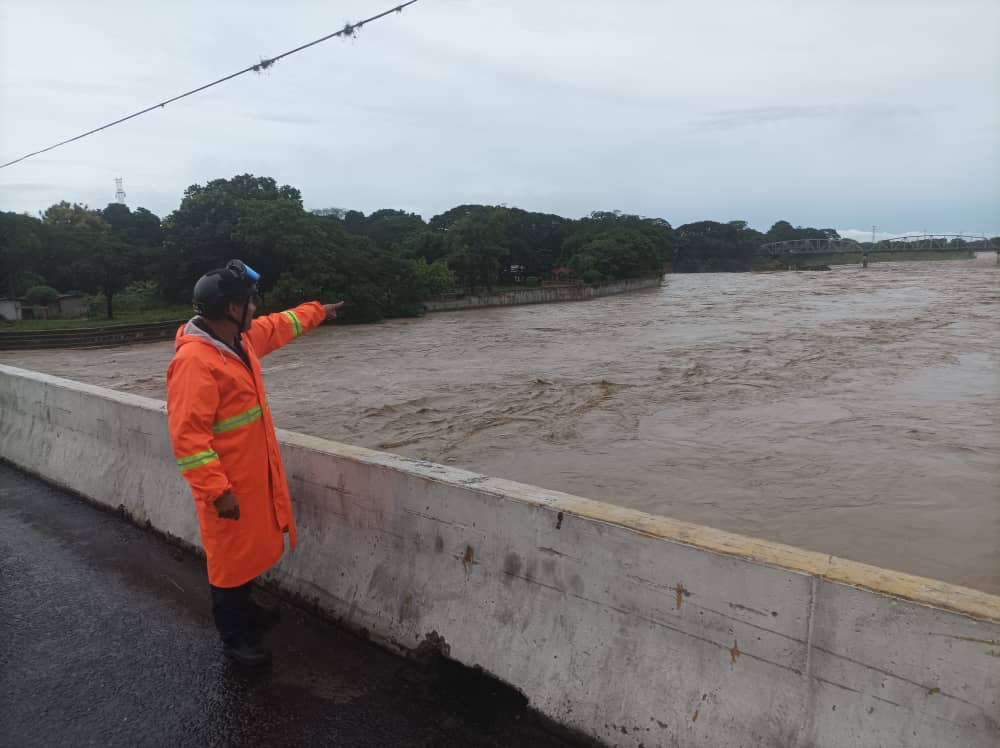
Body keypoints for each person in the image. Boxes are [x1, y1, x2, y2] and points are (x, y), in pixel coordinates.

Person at [166, 259, 343, 666]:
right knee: (228, 562)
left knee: (249, 552)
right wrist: (217, 492)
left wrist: (319, 311)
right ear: (232, 309)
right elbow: (188, 438)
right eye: (249, 302)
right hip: (226, 485)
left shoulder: (237, 343)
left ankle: (248, 612)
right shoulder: (196, 362)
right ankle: (235, 639)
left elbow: (280, 325)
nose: (255, 310)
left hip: (251, 476)